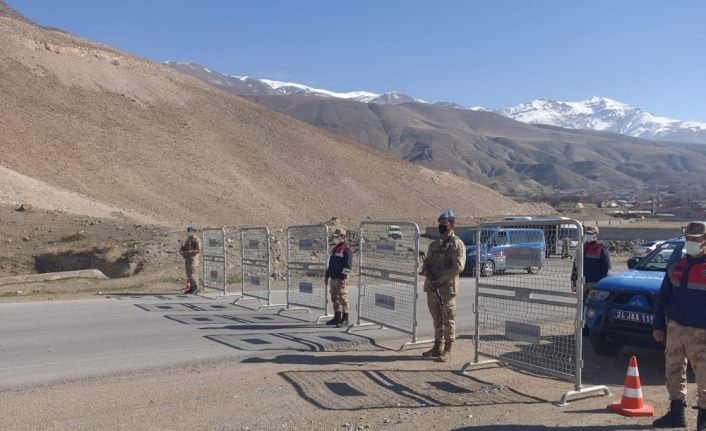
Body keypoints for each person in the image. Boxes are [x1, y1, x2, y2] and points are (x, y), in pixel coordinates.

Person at [651, 221, 706, 430]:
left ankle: (703, 419)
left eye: (695, 239)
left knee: (704, 377)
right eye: (688, 238)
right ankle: (676, 414)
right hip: (675, 328)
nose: (690, 242)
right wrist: (658, 325)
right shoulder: (677, 266)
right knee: (673, 371)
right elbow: (663, 297)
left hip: (702, 331)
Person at [421, 210, 466, 362]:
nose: (441, 227)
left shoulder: (457, 244)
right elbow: (427, 263)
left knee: (448, 319)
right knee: (436, 319)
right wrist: (425, 272)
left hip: (446, 289)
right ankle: (437, 346)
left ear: (451, 225)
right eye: (440, 224)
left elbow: (458, 266)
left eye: (444, 224)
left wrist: (440, 279)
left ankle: (448, 349)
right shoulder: (434, 244)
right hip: (432, 287)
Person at [571, 226, 610, 298]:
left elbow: (606, 267)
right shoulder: (581, 247)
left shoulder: (601, 248)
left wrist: (601, 284)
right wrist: (573, 279)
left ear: (596, 235)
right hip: (581, 282)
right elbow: (575, 264)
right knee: (581, 305)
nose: (588, 235)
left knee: (593, 305)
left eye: (591, 233)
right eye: (586, 233)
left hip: (595, 283)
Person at [325, 228, 353, 328]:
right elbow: (331, 264)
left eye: (337, 237)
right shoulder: (334, 249)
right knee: (334, 298)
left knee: (343, 298)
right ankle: (337, 316)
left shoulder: (347, 250)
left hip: (341, 279)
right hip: (333, 277)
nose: (335, 238)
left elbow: (348, 266)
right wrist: (327, 275)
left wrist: (343, 278)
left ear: (343, 237)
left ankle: (345, 319)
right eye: (335, 237)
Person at [181, 225, 202, 294]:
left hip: (193, 259)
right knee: (188, 274)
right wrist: (182, 247)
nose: (188, 232)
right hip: (187, 258)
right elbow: (185, 248)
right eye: (188, 231)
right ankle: (191, 288)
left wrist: (189, 252)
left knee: (193, 273)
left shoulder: (196, 239)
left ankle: (196, 287)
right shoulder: (188, 239)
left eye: (189, 231)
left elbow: (198, 250)